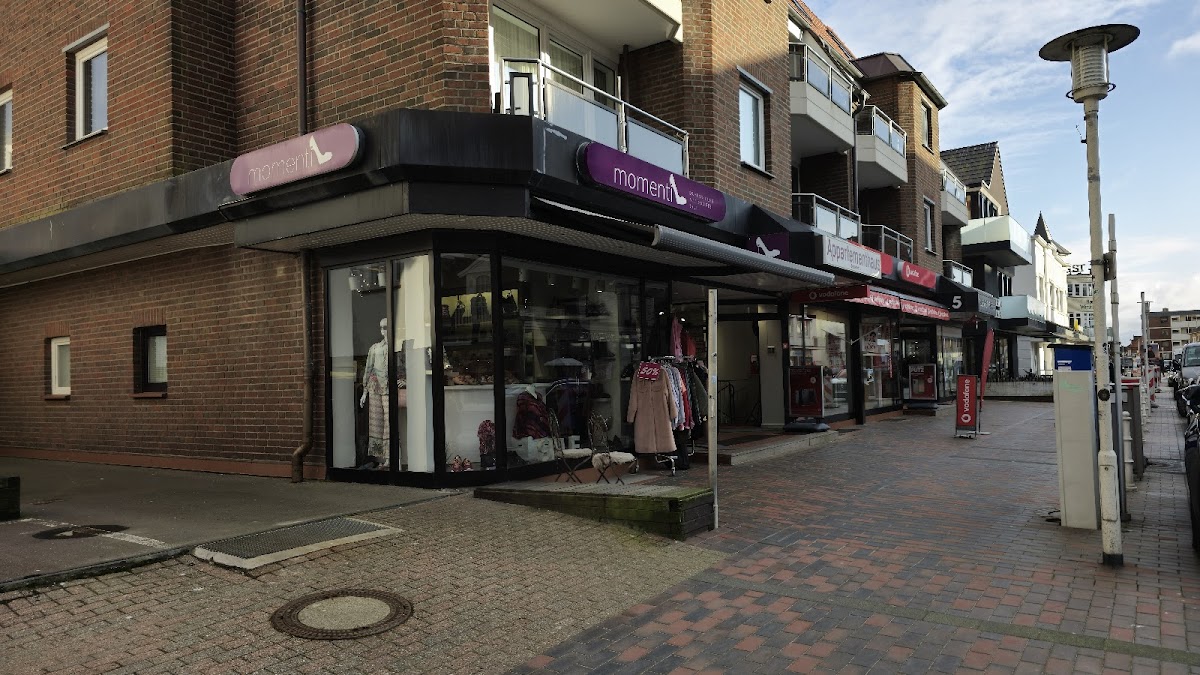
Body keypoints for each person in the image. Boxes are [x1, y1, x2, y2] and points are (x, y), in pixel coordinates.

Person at [359, 318, 389, 468]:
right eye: (381, 327)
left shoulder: (398, 348)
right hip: (375, 387)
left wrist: (404, 380)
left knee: (389, 423)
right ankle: (380, 458)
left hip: (390, 388)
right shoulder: (375, 348)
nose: (383, 330)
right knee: (376, 424)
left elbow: (404, 366)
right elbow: (368, 368)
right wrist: (364, 392)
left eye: (386, 327)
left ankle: (391, 457)